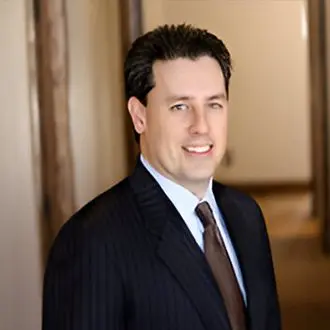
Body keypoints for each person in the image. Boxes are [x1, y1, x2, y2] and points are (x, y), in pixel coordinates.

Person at [42, 24, 281, 330]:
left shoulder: (247, 215)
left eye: (214, 105)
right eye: (180, 106)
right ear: (139, 116)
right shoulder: (92, 242)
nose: (201, 126)